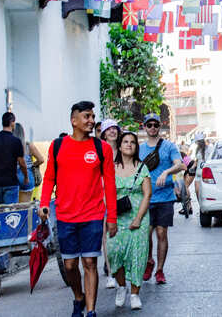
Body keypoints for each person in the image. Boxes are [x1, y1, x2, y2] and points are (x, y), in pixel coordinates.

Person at [38, 101, 117, 317]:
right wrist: (44, 203)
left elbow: (109, 184)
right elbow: (49, 179)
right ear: (74, 120)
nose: (91, 120)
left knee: (90, 262)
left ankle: (90, 311)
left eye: (93, 116)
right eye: (87, 116)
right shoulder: (58, 146)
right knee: (70, 265)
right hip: (65, 216)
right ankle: (79, 296)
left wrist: (112, 217)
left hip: (92, 214)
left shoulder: (102, 149)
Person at [140, 113, 185, 284]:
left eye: (155, 125)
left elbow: (180, 164)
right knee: (146, 234)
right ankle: (149, 261)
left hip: (165, 196)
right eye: (149, 125)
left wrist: (166, 172)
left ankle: (160, 269)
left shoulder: (169, 146)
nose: (152, 128)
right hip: (146, 198)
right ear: (144, 127)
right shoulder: (140, 148)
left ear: (160, 127)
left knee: (161, 233)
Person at [108, 132, 152, 310]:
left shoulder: (142, 168)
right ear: (119, 146)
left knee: (138, 255)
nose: (129, 145)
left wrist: (138, 218)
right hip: (117, 217)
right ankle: (121, 287)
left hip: (138, 215)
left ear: (136, 147)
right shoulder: (110, 167)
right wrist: (109, 217)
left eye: (132, 142)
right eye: (125, 142)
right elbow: (106, 194)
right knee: (114, 252)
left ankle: (135, 294)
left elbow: (147, 194)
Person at [0, 112, 27, 204]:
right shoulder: (16, 141)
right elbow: (22, 163)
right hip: (11, 183)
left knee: (1, 212)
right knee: (10, 213)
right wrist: (26, 177)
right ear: (12, 123)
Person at [99, 119, 121, 289]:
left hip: (123, 196)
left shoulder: (124, 150)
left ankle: (122, 267)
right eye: (109, 129)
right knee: (106, 236)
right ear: (104, 133)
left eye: (115, 128)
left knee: (122, 234)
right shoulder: (98, 151)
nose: (112, 131)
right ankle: (111, 272)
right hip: (103, 196)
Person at [13, 123, 44, 203]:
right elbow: (41, 159)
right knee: (25, 207)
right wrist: (33, 165)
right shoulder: (28, 145)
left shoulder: (10, 145)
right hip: (27, 175)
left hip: (13, 176)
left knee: (13, 208)